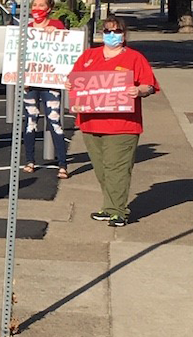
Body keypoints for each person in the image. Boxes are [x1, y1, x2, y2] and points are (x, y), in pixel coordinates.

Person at [66, 16, 159, 227]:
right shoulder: (89, 56)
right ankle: (109, 206)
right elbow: (75, 79)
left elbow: (150, 85)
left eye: (116, 31)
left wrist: (139, 90)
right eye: (107, 31)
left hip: (122, 124)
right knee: (101, 169)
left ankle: (119, 210)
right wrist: (70, 85)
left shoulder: (135, 58)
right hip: (91, 122)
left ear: (124, 35)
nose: (111, 35)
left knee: (117, 167)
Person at [22, 0, 70, 178]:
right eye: (34, 5)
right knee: (30, 122)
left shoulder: (56, 26)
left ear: (49, 9)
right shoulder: (27, 29)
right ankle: (30, 160)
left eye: (41, 5)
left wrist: (57, 34)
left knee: (55, 122)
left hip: (50, 83)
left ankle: (63, 164)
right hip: (30, 83)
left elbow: (66, 49)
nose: (37, 8)